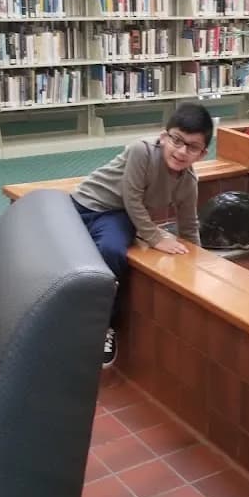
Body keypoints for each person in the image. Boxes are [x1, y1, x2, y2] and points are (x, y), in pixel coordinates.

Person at [72, 101, 214, 367]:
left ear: (202, 154)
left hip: (116, 215)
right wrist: (156, 238)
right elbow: (132, 198)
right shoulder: (142, 151)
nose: (181, 151)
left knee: (112, 252)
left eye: (192, 147)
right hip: (83, 204)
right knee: (61, 250)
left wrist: (201, 266)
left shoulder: (188, 183)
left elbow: (189, 226)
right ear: (164, 137)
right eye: (176, 140)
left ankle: (104, 326)